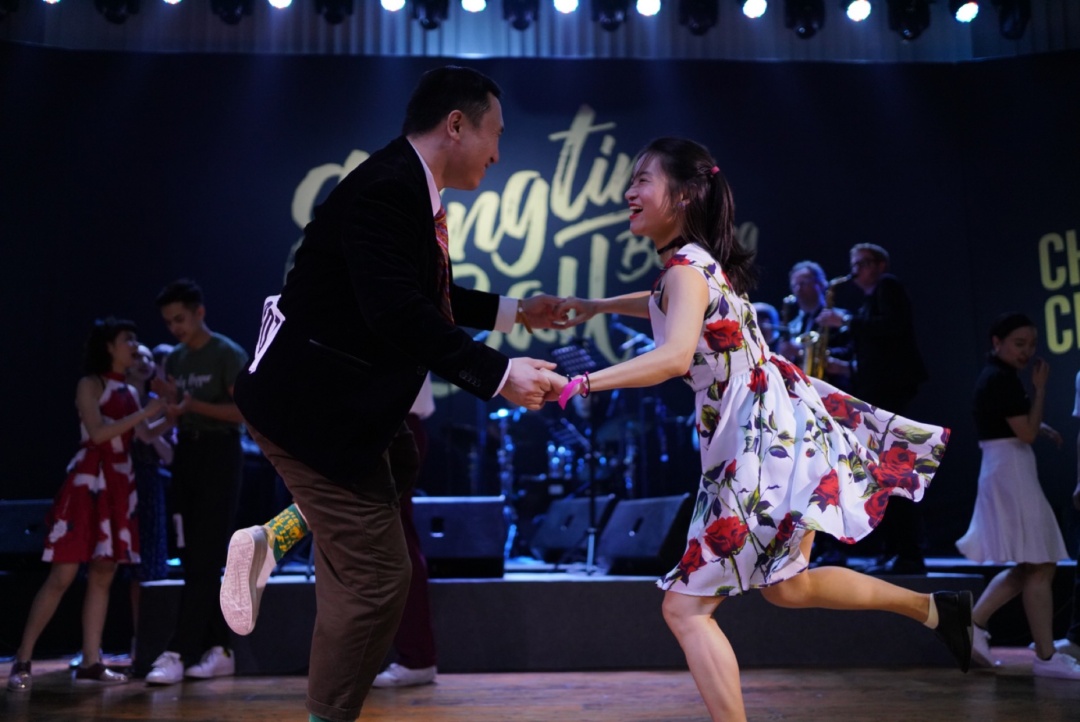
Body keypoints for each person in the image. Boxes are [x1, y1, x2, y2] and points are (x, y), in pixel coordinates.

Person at [552, 137, 970, 722]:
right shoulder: (694, 264)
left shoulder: (686, 270)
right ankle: (936, 609)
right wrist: (597, 306)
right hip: (777, 428)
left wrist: (584, 383)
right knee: (789, 586)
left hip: (757, 443)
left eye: (643, 179)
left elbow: (673, 356)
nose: (630, 192)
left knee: (685, 610)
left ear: (685, 194)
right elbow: (663, 301)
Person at [230, 66, 567, 722]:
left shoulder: (407, 186)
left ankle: (275, 535)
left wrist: (519, 311)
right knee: (380, 578)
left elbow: (424, 294)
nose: (499, 154)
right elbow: (397, 312)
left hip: (345, 413)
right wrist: (500, 376)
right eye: (496, 135)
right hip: (310, 415)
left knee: (401, 469)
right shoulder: (387, 188)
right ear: (456, 125)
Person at [220, 378, 442, 688]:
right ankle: (272, 542)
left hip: (375, 419)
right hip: (368, 419)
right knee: (355, 538)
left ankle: (272, 540)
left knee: (365, 536)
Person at [7, 318, 167, 692]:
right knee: (63, 574)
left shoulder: (130, 390)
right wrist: (145, 413)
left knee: (103, 572)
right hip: (89, 481)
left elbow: (144, 435)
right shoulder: (90, 384)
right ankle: (23, 657)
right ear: (109, 346)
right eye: (128, 339)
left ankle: (92, 661)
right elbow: (97, 433)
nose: (135, 345)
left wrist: (169, 412)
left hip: (119, 483)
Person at [955, 313, 1080, 679]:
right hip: (1010, 471)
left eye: (1032, 345)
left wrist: (1038, 425)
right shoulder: (1002, 379)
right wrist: (1040, 390)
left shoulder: (998, 377)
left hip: (1005, 468)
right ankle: (1045, 656)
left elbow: (1010, 422)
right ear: (997, 342)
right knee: (1040, 563)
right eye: (1019, 344)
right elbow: (1024, 433)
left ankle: (973, 624)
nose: (1027, 352)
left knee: (1031, 565)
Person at [145, 279, 249, 685]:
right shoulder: (176, 359)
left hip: (220, 454)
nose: (175, 328)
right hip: (186, 455)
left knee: (206, 555)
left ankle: (179, 651)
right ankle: (220, 649)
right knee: (192, 557)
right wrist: (172, 407)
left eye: (180, 319)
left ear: (199, 313)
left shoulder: (226, 352)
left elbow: (244, 411)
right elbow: (176, 414)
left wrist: (193, 405)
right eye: (169, 322)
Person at [818, 243, 929, 575]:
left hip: (891, 391)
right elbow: (876, 350)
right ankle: (894, 550)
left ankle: (908, 553)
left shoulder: (888, 286)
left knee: (895, 473)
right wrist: (845, 365)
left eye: (863, 263)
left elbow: (892, 328)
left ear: (881, 265)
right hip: (879, 389)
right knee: (882, 476)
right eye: (854, 264)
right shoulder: (871, 298)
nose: (856, 271)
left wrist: (845, 319)